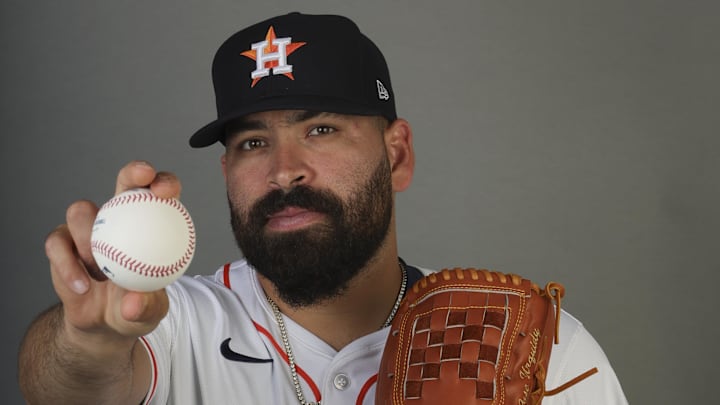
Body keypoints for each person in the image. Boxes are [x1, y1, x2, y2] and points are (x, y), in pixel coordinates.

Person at [18, 12, 628, 404]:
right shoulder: (171, 324)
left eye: (321, 130)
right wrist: (89, 340)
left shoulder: (537, 349)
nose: (284, 170)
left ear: (396, 155)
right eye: (253, 142)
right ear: (227, 172)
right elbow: (65, 387)